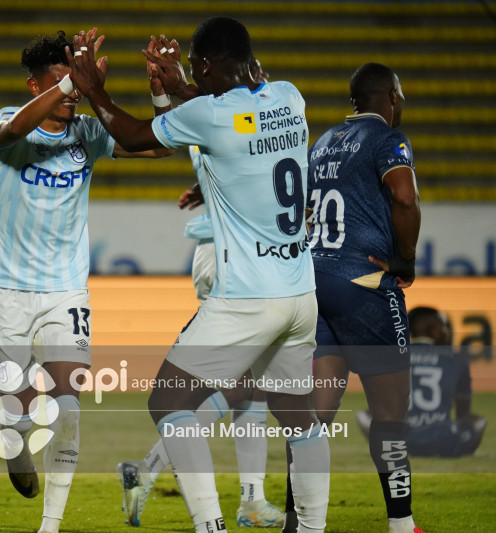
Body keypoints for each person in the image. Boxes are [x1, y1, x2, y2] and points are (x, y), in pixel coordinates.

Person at [68, 18, 330, 533]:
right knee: (298, 417)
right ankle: (312, 529)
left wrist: (93, 89)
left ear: (206, 65)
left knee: (168, 402)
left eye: (193, 67)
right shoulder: (289, 97)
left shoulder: (211, 115)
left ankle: (210, 525)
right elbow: (236, 114)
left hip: (247, 297)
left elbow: (135, 136)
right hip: (300, 292)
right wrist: (180, 85)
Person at [0, 29, 171, 533]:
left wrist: (160, 92)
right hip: (4, 290)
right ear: (34, 85)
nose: (73, 94)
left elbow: (159, 148)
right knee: (18, 410)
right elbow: (12, 132)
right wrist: (72, 83)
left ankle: (51, 525)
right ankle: (14, 437)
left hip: (65, 290)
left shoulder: (87, 132)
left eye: (76, 82)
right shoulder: (6, 123)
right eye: (61, 83)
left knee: (68, 409)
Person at [116, 60, 285, 530]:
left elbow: (234, 161)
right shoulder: (226, 113)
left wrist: (201, 187)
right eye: (255, 72)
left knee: (250, 385)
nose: (261, 82)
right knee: (238, 385)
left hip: (231, 255)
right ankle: (150, 472)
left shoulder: (222, 119)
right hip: (230, 259)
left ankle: (250, 498)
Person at [288, 62, 423, 533]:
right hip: (363, 285)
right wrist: (405, 260)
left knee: (314, 416)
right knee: (390, 412)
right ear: (391, 96)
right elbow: (404, 197)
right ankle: (402, 525)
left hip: (314, 279)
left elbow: (301, 209)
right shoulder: (388, 140)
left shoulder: (323, 143)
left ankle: (296, 521)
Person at [356, 306, 487, 457]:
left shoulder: (392, 356)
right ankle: (463, 452)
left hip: (400, 438)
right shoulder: (456, 359)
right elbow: (463, 412)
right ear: (435, 331)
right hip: (445, 437)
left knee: (364, 415)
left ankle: (390, 447)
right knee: (478, 421)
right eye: (443, 327)